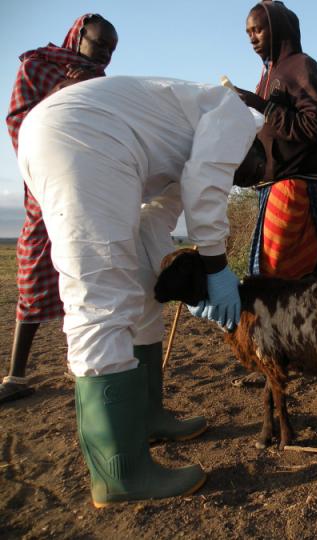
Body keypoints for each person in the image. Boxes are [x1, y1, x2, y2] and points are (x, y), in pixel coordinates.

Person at [17, 75, 263, 506]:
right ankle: (121, 472)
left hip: (79, 141)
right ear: (259, 142)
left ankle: (146, 418)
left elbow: (154, 223)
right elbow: (207, 186)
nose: (243, 180)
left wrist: (184, 285)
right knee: (101, 295)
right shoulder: (236, 116)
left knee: (135, 285)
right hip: (83, 141)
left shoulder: (179, 136)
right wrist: (217, 266)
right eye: (254, 171)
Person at [1, 14, 118, 405]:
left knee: (84, 276)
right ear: (79, 34)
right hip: (46, 187)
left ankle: (82, 365)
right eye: (100, 45)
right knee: (33, 271)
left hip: (88, 189)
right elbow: (18, 121)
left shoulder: (101, 82)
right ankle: (17, 374)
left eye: (111, 51)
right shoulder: (37, 67)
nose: (105, 56)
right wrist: (65, 90)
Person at [235, 0, 317, 280]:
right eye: (248, 33)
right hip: (270, 191)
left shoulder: (301, 66)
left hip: (293, 191)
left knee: (287, 286)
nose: (252, 38)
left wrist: (262, 106)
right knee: (276, 285)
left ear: (277, 29)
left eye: (258, 30)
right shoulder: (267, 77)